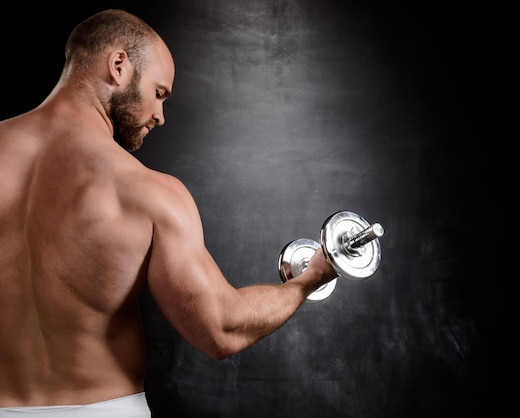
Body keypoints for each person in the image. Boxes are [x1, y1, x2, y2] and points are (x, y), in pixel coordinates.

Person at [0, 9, 337, 417]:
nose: (160, 116)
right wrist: (312, 277)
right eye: (159, 93)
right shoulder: (149, 192)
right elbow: (221, 329)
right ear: (119, 65)